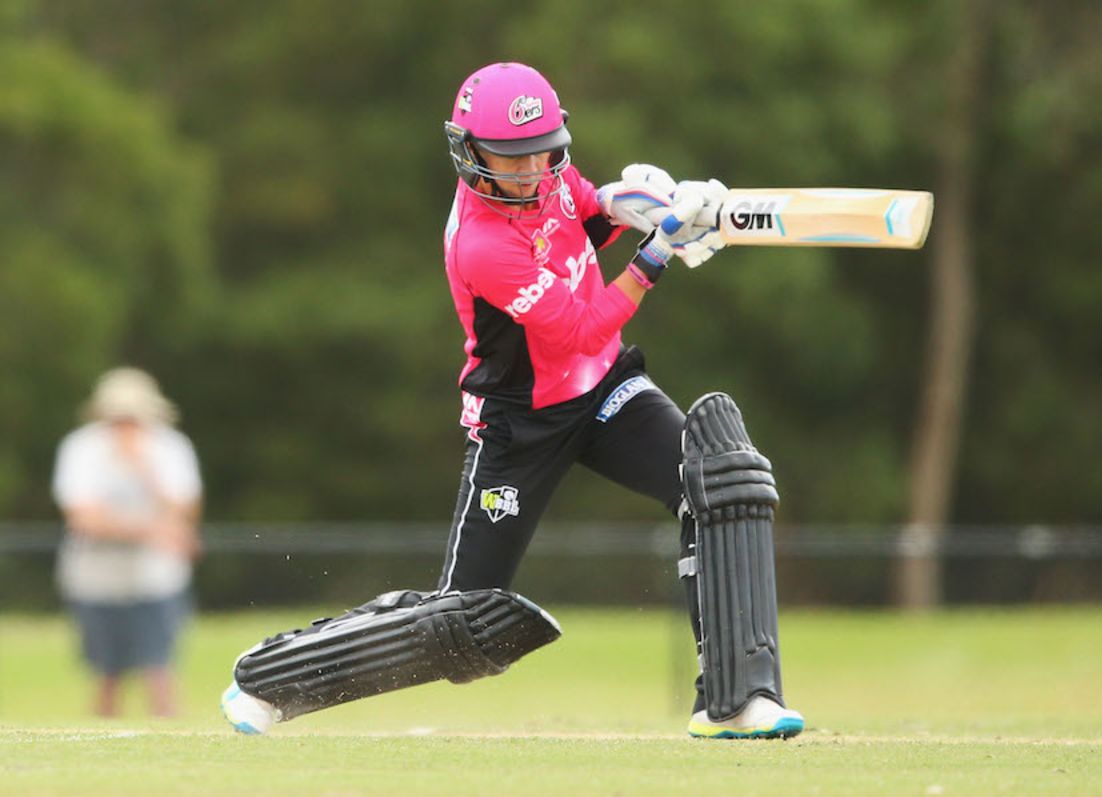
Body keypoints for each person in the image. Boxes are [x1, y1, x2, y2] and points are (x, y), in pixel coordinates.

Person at [220, 62, 803, 739]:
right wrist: (659, 252)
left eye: (541, 153)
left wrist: (639, 199)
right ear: (469, 154)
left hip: (606, 390)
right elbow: (585, 326)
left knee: (717, 480)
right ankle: (272, 679)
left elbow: (585, 208)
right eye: (510, 158)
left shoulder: (550, 179)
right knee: (463, 625)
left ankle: (735, 700)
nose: (530, 172)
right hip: (518, 425)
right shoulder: (482, 245)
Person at [52, 367, 203, 717]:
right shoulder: (81, 448)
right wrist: (155, 531)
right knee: (106, 675)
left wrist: (143, 468)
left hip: (156, 576)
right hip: (95, 576)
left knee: (160, 671)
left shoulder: (170, 447)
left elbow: (183, 511)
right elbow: (84, 518)